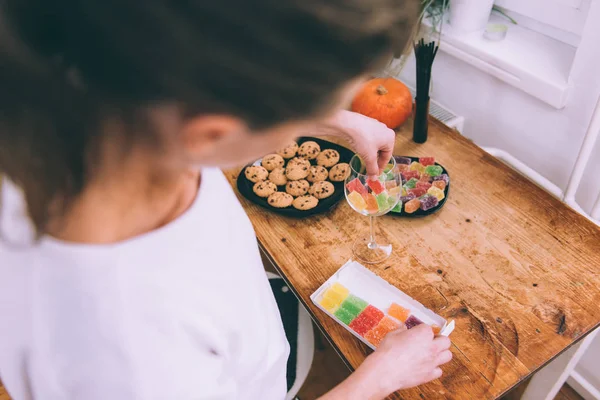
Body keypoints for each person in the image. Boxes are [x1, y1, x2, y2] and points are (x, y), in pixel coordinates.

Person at [0, 1, 452, 399]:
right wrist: (378, 377)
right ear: (212, 134)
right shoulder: (133, 355)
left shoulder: (103, 107)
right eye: (298, 116)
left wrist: (338, 122)